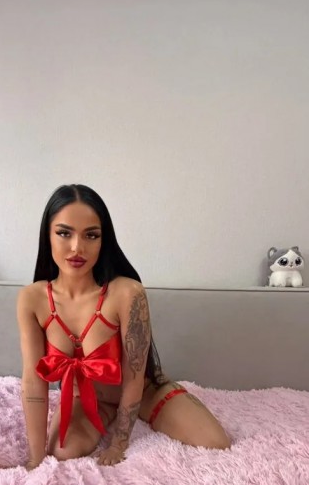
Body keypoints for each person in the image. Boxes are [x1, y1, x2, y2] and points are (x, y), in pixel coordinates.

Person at [18, 184, 231, 469]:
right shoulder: (32, 299)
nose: (77, 247)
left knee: (216, 441)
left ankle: (165, 400)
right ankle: (103, 414)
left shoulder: (127, 293)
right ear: (47, 235)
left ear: (103, 240)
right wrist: (35, 459)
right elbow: (33, 381)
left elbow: (134, 374)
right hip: (87, 398)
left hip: (143, 393)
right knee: (63, 451)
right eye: (64, 233)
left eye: (91, 235)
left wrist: (119, 443)